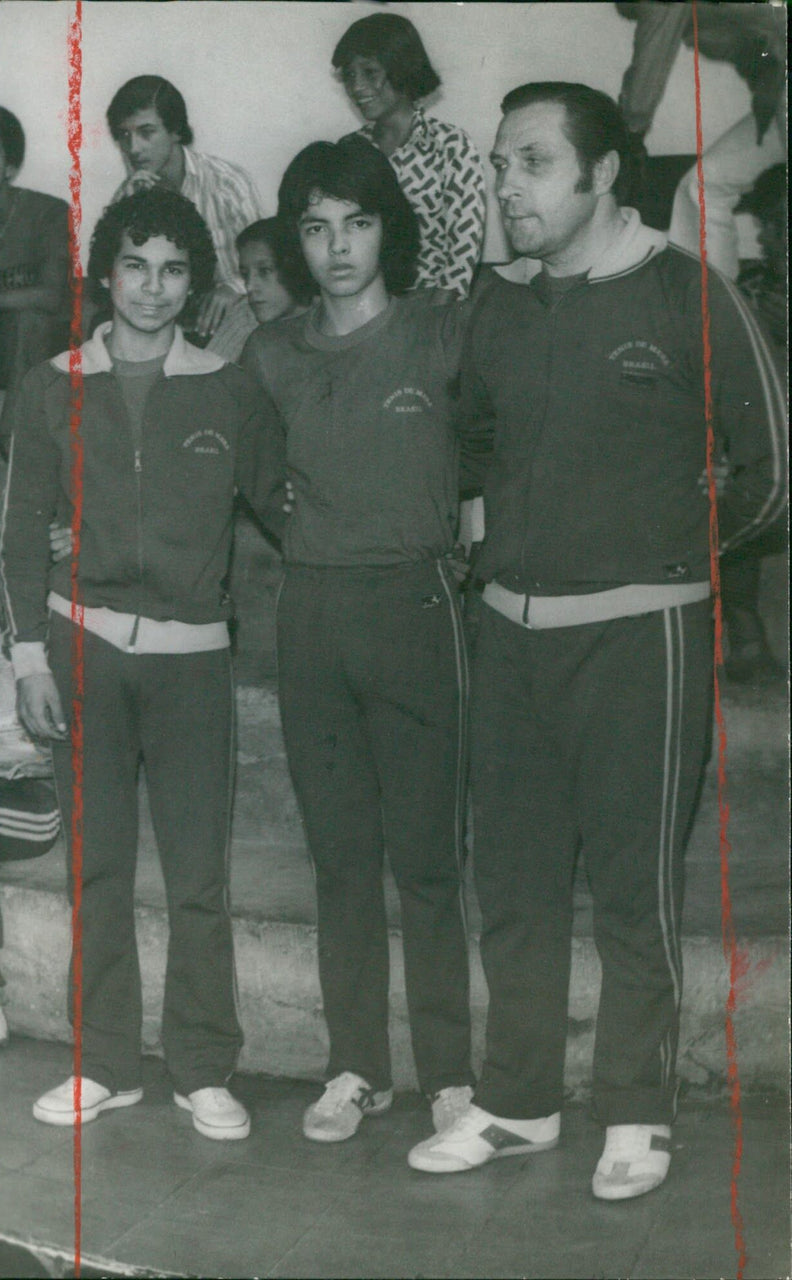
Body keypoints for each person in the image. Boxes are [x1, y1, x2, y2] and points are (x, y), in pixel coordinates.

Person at [407, 82, 785, 1197]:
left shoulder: (687, 296)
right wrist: (480, 531)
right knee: (515, 886)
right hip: (510, 637)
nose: (503, 185)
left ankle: (634, 1107)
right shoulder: (498, 305)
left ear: (602, 171)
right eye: (497, 163)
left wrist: (676, 553)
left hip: (638, 639)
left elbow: (771, 470)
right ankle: (516, 1100)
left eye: (530, 163)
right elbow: (468, 436)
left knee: (632, 889)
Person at [0, 188, 285, 1139]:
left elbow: (287, 505)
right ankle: (105, 1062)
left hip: (191, 665)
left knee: (200, 874)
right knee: (99, 867)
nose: (152, 288)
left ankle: (204, 1066)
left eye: (172, 270)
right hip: (82, 655)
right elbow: (18, 538)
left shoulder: (229, 388)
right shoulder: (51, 385)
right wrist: (30, 656)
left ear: (194, 283)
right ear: (104, 275)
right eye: (135, 266)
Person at [240, 135, 474, 1145]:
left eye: (358, 221)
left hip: (418, 609)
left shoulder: (443, 334)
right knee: (340, 857)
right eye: (316, 226)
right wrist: (295, 520)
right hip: (314, 616)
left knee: (424, 858)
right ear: (297, 239)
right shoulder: (270, 352)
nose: (337, 245)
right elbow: (251, 473)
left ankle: (452, 1076)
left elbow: (497, 447)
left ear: (390, 227)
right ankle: (354, 1067)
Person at [616, 2, 786, 280]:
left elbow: (645, 81)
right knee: (704, 186)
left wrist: (627, 138)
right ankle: (717, 307)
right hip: (777, 92)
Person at [332, 12, 486, 300]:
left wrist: (429, 323)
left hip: (430, 308)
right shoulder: (349, 149)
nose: (356, 87)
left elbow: (461, 256)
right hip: (360, 306)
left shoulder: (450, 145)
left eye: (370, 72)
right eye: (349, 75)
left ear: (402, 70)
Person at [106, 76, 263, 343]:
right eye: (124, 135)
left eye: (146, 132)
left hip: (230, 315)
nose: (133, 148)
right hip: (164, 320)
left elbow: (266, 263)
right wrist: (132, 208)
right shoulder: (127, 195)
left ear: (176, 130)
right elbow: (112, 282)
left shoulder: (227, 184)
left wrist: (233, 288)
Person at [720, 163, 787, 683]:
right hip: (764, 444)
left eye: (774, 223)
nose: (764, 236)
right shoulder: (754, 283)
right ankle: (744, 636)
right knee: (724, 476)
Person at [0, 106, 70, 463]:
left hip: (24, 342)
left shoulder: (47, 212)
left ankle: (17, 444)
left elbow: (52, 296)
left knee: (30, 322)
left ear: (11, 164)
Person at [207, 217, 313, 363]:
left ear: (294, 267)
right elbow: (204, 380)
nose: (249, 286)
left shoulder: (332, 316)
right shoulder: (245, 316)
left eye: (264, 271)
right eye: (245, 274)